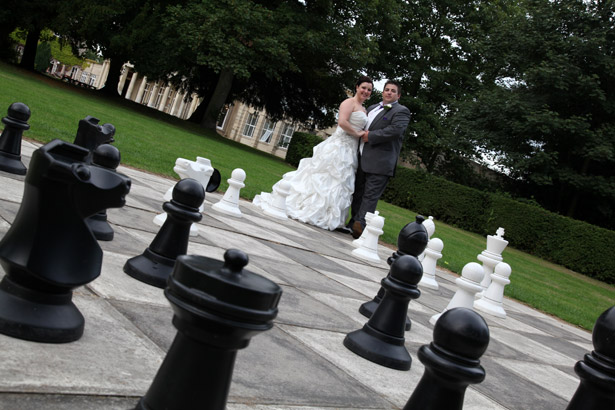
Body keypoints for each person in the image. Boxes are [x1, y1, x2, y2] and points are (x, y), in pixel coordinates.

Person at [253, 76, 373, 230]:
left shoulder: (364, 109)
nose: (366, 91)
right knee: (326, 176)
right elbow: (342, 122)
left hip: (351, 150)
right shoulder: (348, 103)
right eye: (363, 87)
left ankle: (333, 218)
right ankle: (312, 209)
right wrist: (357, 133)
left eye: (369, 90)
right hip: (339, 146)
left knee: (341, 182)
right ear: (357, 87)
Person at [347, 80, 411, 239]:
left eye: (393, 91)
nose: (389, 92)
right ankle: (353, 221)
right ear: (382, 92)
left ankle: (360, 227)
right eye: (386, 89)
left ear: (398, 95)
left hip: (381, 162)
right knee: (357, 192)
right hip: (362, 157)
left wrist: (371, 136)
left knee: (370, 196)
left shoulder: (401, 111)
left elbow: (395, 130)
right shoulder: (371, 108)